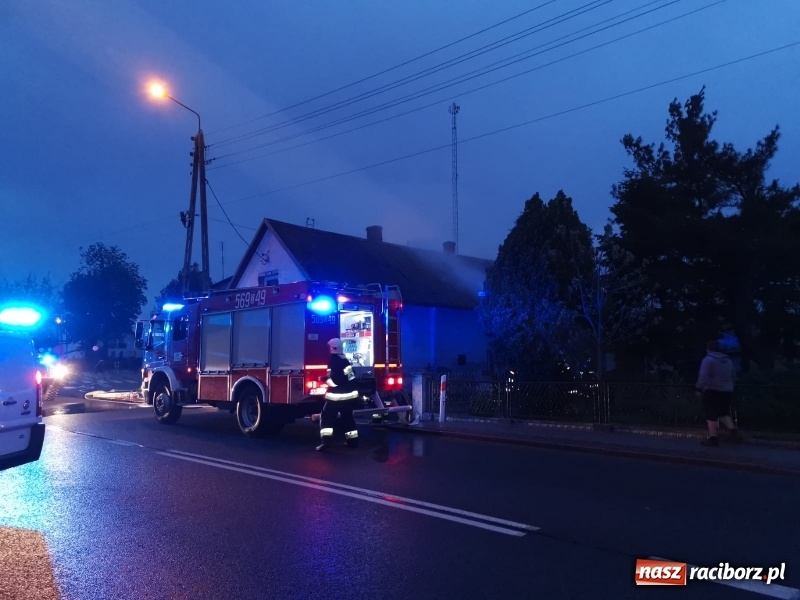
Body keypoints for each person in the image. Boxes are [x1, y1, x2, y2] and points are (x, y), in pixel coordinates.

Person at [696, 340, 743, 446]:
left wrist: (699, 388)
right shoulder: (729, 361)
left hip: (712, 389)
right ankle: (733, 432)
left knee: (710, 413)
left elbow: (703, 375)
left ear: (708, 349)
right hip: (727, 390)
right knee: (723, 412)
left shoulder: (708, 360)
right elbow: (734, 375)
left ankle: (713, 438)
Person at [316, 338, 360, 451]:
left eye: (329, 347)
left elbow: (335, 381)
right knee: (348, 418)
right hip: (350, 396)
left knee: (326, 417)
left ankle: (326, 442)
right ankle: (352, 442)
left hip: (336, 397)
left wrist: (324, 379)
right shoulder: (345, 360)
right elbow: (351, 377)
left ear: (333, 348)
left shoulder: (333, 361)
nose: (328, 349)